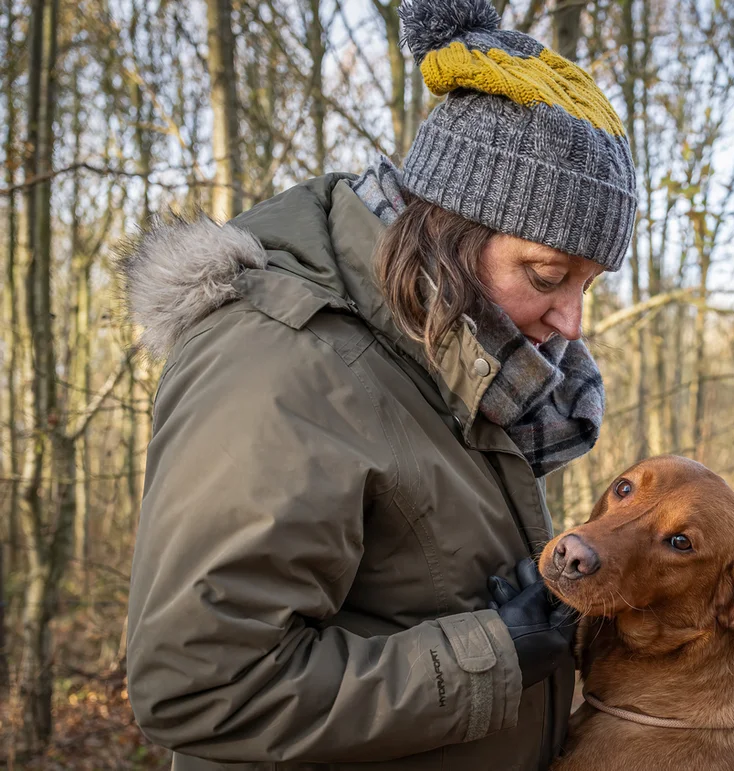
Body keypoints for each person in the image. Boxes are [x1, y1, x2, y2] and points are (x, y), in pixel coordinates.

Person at [121, 1, 636, 769]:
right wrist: (492, 654)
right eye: (549, 275)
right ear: (450, 230)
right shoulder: (280, 368)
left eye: (588, 284)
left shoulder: (457, 365)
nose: (571, 321)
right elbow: (200, 684)